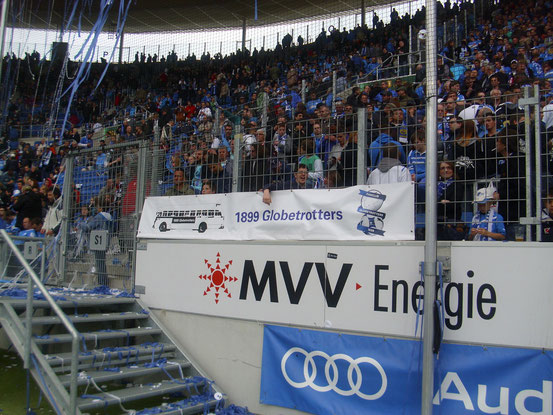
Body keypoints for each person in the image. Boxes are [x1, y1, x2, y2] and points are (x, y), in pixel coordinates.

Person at [437, 161, 466, 240]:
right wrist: (442, 202)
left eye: (448, 168)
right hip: (436, 224)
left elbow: (454, 205)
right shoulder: (433, 185)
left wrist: (439, 203)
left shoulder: (458, 185)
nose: (446, 170)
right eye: (442, 168)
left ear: (453, 170)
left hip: (452, 224)